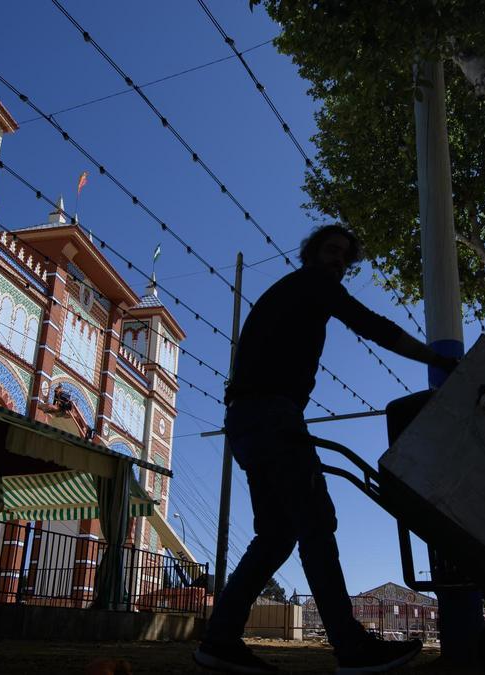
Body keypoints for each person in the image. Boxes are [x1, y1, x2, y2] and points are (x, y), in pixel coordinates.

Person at [194, 225, 458, 674]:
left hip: (247, 419)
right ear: (311, 254)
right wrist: (436, 359)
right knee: (316, 523)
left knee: (277, 533)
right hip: (273, 416)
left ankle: (219, 640)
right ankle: (351, 648)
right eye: (331, 251)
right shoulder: (313, 284)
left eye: (343, 257)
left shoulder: (289, 292)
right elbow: (372, 325)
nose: (338, 261)